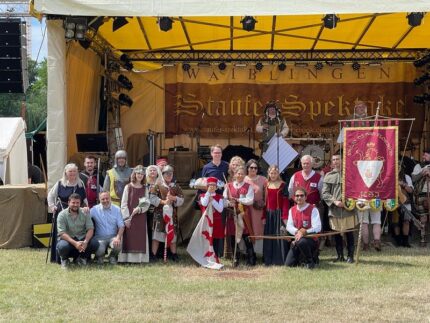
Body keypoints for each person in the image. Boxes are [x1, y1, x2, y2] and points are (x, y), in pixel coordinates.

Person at [47, 163, 88, 263]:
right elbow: (50, 196)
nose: (72, 173)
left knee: (77, 233)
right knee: (62, 234)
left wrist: (86, 207)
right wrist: (52, 206)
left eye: (74, 171)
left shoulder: (80, 183)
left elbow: (85, 198)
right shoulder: (60, 183)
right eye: (70, 171)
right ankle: (61, 258)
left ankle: (78, 257)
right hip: (62, 211)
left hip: (77, 212)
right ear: (66, 172)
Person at [322, 155, 357, 263]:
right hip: (335, 210)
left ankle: (350, 256)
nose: (336, 161)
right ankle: (340, 256)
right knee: (337, 234)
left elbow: (356, 189)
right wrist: (335, 201)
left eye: (338, 159)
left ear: (342, 161)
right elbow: (325, 193)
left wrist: (349, 202)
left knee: (349, 233)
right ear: (331, 163)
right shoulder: (328, 175)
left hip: (348, 209)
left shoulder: (350, 173)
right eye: (334, 160)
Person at [150, 165, 184, 261]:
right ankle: (153, 255)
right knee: (156, 236)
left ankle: (173, 254)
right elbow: (152, 198)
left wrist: (174, 198)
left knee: (172, 235)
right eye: (167, 174)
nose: (169, 175)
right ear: (163, 174)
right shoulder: (157, 185)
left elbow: (182, 200)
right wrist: (163, 202)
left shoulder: (176, 186)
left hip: (172, 215)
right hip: (159, 214)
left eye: (171, 174)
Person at [56, 193, 99, 269]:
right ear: (69, 203)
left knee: (95, 243)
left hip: (82, 238)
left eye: (77, 203)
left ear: (80, 203)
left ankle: (82, 259)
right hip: (68, 240)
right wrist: (75, 243)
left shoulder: (85, 213)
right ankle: (64, 260)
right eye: (73, 202)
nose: (75, 205)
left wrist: (85, 242)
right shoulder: (61, 215)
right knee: (62, 246)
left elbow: (90, 229)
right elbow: (62, 233)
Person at [224, 166, 255, 266]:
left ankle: (251, 259)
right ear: (234, 174)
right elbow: (224, 200)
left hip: (243, 215)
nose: (240, 175)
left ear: (245, 175)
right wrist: (229, 203)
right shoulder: (228, 186)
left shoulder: (248, 186)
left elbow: (250, 200)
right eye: (238, 173)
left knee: (246, 236)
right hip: (232, 215)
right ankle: (235, 259)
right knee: (233, 236)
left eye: (242, 174)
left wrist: (238, 200)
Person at [119, 165, 150, 263]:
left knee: (139, 237)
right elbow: (123, 204)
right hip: (129, 217)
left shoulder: (145, 188)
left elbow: (147, 203)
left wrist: (140, 209)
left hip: (141, 216)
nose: (140, 175)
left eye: (142, 174)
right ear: (134, 174)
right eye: (138, 173)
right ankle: (127, 259)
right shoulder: (128, 187)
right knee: (129, 237)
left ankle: (140, 259)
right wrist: (126, 218)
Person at [285, 188, 321, 269]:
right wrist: (298, 232)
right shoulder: (292, 210)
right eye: (297, 196)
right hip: (297, 239)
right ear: (294, 197)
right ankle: (302, 260)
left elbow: (318, 227)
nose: (299, 197)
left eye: (301, 195)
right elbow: (289, 226)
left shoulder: (313, 209)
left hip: (311, 240)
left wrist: (304, 232)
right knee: (288, 264)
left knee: (302, 242)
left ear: (305, 197)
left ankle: (310, 262)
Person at [263, 165, 289, 266]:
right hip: (269, 214)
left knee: (280, 235)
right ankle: (268, 260)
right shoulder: (266, 184)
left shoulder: (283, 185)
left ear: (278, 174)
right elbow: (265, 202)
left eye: (275, 173)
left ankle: (280, 260)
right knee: (269, 236)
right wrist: (264, 216)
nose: (273, 175)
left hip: (279, 214)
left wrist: (285, 216)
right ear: (268, 173)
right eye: (271, 173)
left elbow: (286, 202)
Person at [90, 191, 125, 265]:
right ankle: (99, 257)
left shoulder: (117, 209)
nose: (105, 200)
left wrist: (118, 237)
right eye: (103, 199)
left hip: (113, 237)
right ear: (99, 200)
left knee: (118, 244)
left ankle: (112, 257)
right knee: (100, 250)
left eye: (107, 198)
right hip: (99, 238)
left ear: (110, 198)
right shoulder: (94, 210)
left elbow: (121, 226)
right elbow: (85, 217)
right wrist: (84, 210)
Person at [244, 159, 267, 255]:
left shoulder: (263, 179)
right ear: (247, 168)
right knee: (247, 229)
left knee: (258, 229)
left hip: (258, 210)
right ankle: (247, 253)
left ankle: (259, 252)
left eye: (255, 168)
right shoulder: (243, 179)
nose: (253, 169)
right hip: (246, 209)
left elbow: (267, 195)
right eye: (251, 167)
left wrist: (263, 203)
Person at [199, 177, 225, 257]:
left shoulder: (220, 197)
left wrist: (213, 200)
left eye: (214, 185)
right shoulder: (202, 195)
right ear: (207, 186)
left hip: (216, 222)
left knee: (215, 240)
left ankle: (215, 256)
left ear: (216, 187)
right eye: (210, 185)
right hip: (206, 221)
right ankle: (206, 256)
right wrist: (208, 194)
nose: (212, 187)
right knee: (206, 238)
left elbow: (220, 209)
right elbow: (204, 204)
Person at [411, 148, 430, 246]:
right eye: (423, 155)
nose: (423, 157)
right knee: (423, 218)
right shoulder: (418, 166)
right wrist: (422, 173)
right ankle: (423, 239)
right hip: (421, 195)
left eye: (426, 155)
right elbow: (413, 179)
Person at [394, 162, 414, 248]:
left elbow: (411, 191)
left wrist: (403, 184)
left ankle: (405, 242)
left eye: (399, 166)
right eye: (396, 166)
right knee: (395, 223)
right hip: (394, 202)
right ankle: (398, 241)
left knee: (406, 221)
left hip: (406, 202)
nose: (398, 168)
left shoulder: (407, 177)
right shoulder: (391, 176)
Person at [145, 164, 163, 253]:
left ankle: (158, 252)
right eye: (150, 170)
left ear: (158, 172)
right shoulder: (144, 184)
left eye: (154, 170)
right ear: (147, 172)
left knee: (157, 231)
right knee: (148, 230)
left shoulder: (161, 183)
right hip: (147, 211)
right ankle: (148, 251)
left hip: (158, 211)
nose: (152, 172)